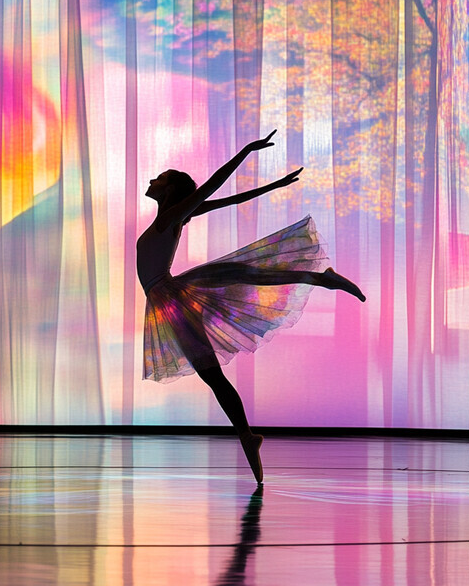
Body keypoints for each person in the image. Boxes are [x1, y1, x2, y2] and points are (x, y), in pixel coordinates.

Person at [137, 130, 366, 484]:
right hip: (169, 297)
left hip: (170, 297)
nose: (154, 179)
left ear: (170, 189)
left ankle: (320, 277)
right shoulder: (172, 217)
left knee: (243, 274)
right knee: (215, 365)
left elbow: (213, 188)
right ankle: (246, 435)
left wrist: (247, 151)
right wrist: (270, 187)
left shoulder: (174, 216)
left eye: (161, 177)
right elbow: (228, 200)